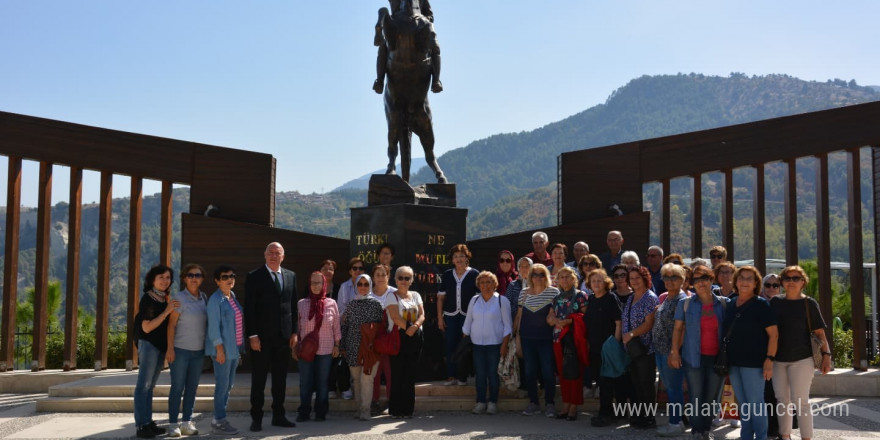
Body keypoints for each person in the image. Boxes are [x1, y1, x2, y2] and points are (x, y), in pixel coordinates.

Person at [770, 265, 832, 440]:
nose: (791, 282)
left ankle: (806, 438)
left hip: (802, 359)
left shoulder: (809, 303)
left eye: (795, 278)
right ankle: (785, 436)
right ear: (782, 282)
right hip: (778, 359)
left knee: (801, 401)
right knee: (782, 400)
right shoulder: (775, 302)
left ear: (803, 282)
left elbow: (820, 333)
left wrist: (827, 356)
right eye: (787, 278)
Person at [669, 264, 729, 439]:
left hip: (717, 359)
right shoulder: (685, 304)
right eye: (696, 279)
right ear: (691, 283)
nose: (701, 283)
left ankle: (705, 430)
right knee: (696, 396)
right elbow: (678, 329)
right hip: (692, 358)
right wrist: (674, 352)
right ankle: (696, 431)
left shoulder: (724, 304)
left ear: (712, 279)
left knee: (712, 398)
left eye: (705, 278)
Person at [244, 242, 298, 432]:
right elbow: (249, 309)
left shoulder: (291, 276)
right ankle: (256, 418)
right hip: (261, 338)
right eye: (271, 252)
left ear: (283, 256)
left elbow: (293, 307)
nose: (274, 256)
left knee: (280, 380)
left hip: (283, 337)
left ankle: (279, 415)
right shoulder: (254, 276)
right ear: (265, 255)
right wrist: (252, 335)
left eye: (278, 253)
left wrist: (294, 331)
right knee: (258, 380)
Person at [723, 266, 778, 440]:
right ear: (736, 281)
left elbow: (774, 335)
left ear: (756, 283)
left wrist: (769, 360)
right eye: (741, 278)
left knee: (756, 403)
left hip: (755, 363)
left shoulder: (761, 305)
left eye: (749, 279)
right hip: (734, 362)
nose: (744, 281)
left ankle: (761, 437)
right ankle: (746, 435)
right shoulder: (731, 303)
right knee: (743, 404)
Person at [133, 265, 179, 439]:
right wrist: (167, 312)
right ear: (152, 279)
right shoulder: (148, 299)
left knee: (150, 386)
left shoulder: (163, 298)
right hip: (149, 344)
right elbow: (146, 327)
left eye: (168, 278)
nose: (165, 280)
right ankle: (141, 426)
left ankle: (148, 422)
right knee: (143, 385)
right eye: (161, 277)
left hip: (159, 347)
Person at [166, 264, 208, 437]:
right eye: (190, 275)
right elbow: (171, 325)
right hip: (180, 350)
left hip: (198, 352)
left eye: (197, 275)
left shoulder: (204, 298)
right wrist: (170, 349)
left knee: (192, 388)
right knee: (177, 388)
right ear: (184, 278)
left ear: (202, 279)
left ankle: (187, 422)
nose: (193, 278)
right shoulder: (179, 298)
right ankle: (173, 424)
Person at [462, 271, 512, 415]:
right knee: (480, 374)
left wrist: (504, 345)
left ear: (495, 284)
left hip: (495, 344)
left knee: (492, 374)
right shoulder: (474, 300)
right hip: (477, 344)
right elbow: (468, 322)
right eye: (482, 282)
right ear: (479, 285)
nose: (485, 285)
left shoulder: (502, 301)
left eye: (488, 282)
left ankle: (492, 403)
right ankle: (480, 402)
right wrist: (464, 341)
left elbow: (507, 326)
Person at [295, 271, 341, 422]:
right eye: (313, 282)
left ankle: (321, 412)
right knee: (306, 382)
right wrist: (295, 346)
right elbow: (298, 328)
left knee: (322, 383)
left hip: (326, 349)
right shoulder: (301, 303)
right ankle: (304, 411)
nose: (315, 286)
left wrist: (337, 345)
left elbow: (336, 326)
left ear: (324, 285)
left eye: (318, 283)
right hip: (306, 350)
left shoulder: (331, 303)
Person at [515, 263, 559, 418]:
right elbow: (519, 317)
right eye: (535, 274)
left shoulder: (554, 292)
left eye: (541, 274)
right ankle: (533, 403)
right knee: (529, 372)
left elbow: (558, 315)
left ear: (546, 276)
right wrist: (518, 339)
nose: (538, 277)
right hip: (527, 339)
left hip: (546, 340)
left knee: (548, 372)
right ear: (530, 277)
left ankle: (550, 404)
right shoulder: (523, 293)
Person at [205, 265, 244, 436]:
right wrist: (219, 350)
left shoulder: (232, 297)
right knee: (222, 386)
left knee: (228, 386)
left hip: (233, 350)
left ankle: (221, 418)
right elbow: (213, 328)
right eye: (225, 277)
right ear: (217, 280)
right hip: (223, 351)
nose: (229, 279)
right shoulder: (215, 300)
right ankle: (218, 421)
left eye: (232, 276)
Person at [651, 264, 689, 437]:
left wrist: (675, 352)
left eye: (674, 277)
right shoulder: (667, 298)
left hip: (671, 351)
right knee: (670, 388)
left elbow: (682, 328)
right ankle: (676, 422)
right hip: (660, 349)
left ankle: (675, 423)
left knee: (674, 389)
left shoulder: (682, 300)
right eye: (666, 277)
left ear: (682, 280)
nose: (669, 281)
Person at [340, 274, 385, 421]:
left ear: (370, 285)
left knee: (367, 379)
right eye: (360, 284)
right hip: (353, 347)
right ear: (356, 286)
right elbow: (345, 326)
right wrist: (342, 346)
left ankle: (365, 410)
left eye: (366, 284)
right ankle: (359, 408)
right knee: (356, 379)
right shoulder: (352, 304)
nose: (363, 287)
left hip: (370, 348)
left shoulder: (376, 304)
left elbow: (381, 328)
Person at [622, 265, 659, 429]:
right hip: (632, 349)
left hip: (645, 349)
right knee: (636, 384)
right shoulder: (631, 297)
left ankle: (649, 417)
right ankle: (638, 415)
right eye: (631, 278)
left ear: (645, 278)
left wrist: (630, 334)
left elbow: (649, 324)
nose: (634, 281)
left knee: (646, 385)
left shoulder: (650, 297)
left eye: (637, 277)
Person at [548, 267, 588, 421]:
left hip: (573, 339)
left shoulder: (580, 296)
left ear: (573, 278)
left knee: (575, 373)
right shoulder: (556, 298)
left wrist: (569, 321)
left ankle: (574, 406)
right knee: (563, 372)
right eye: (561, 277)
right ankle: (566, 403)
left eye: (567, 277)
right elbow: (550, 316)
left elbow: (585, 317)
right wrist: (552, 320)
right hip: (558, 339)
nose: (564, 280)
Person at [386, 266, 426, 418]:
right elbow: (395, 317)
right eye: (401, 278)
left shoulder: (416, 295)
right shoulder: (391, 296)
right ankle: (396, 410)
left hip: (415, 337)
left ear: (412, 280)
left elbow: (422, 314)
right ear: (395, 280)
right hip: (399, 337)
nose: (404, 281)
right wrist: (409, 328)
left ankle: (408, 410)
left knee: (410, 375)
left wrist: (415, 327)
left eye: (407, 278)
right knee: (397, 375)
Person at [584, 269, 622, 427]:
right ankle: (605, 411)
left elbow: (619, 322)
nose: (596, 284)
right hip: (594, 347)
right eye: (593, 281)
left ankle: (605, 414)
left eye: (599, 281)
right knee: (600, 380)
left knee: (607, 382)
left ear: (606, 282)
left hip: (608, 347)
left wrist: (615, 343)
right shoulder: (591, 299)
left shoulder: (611, 298)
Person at [437, 244, 479, 386]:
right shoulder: (448, 274)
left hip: (468, 316)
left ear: (467, 258)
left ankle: (462, 376)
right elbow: (441, 298)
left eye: (462, 256)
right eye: (456, 256)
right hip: (450, 315)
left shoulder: (474, 274)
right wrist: (439, 318)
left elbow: (479, 299)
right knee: (450, 344)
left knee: (464, 346)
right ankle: (451, 375)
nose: (459, 259)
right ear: (452, 259)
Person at [330, 258, 364, 400]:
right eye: (354, 268)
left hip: (365, 329)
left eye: (360, 268)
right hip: (348, 328)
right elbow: (341, 311)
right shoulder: (344, 287)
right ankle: (345, 387)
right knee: (344, 360)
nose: (357, 271)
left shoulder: (368, 284)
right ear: (350, 271)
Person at [369, 264, 397, 415]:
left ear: (388, 276)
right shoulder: (367, 292)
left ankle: (390, 401)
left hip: (390, 336)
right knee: (374, 371)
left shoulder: (394, 293)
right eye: (377, 274)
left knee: (389, 371)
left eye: (383, 274)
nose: (380, 277)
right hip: (372, 338)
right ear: (373, 277)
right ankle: (374, 402)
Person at [760, 272, 784, 437]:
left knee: (782, 395)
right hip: (763, 355)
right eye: (768, 285)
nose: (771, 288)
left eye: (775, 285)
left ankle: (783, 430)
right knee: (766, 394)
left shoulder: (785, 304)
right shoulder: (759, 304)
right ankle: (770, 429)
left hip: (783, 355)